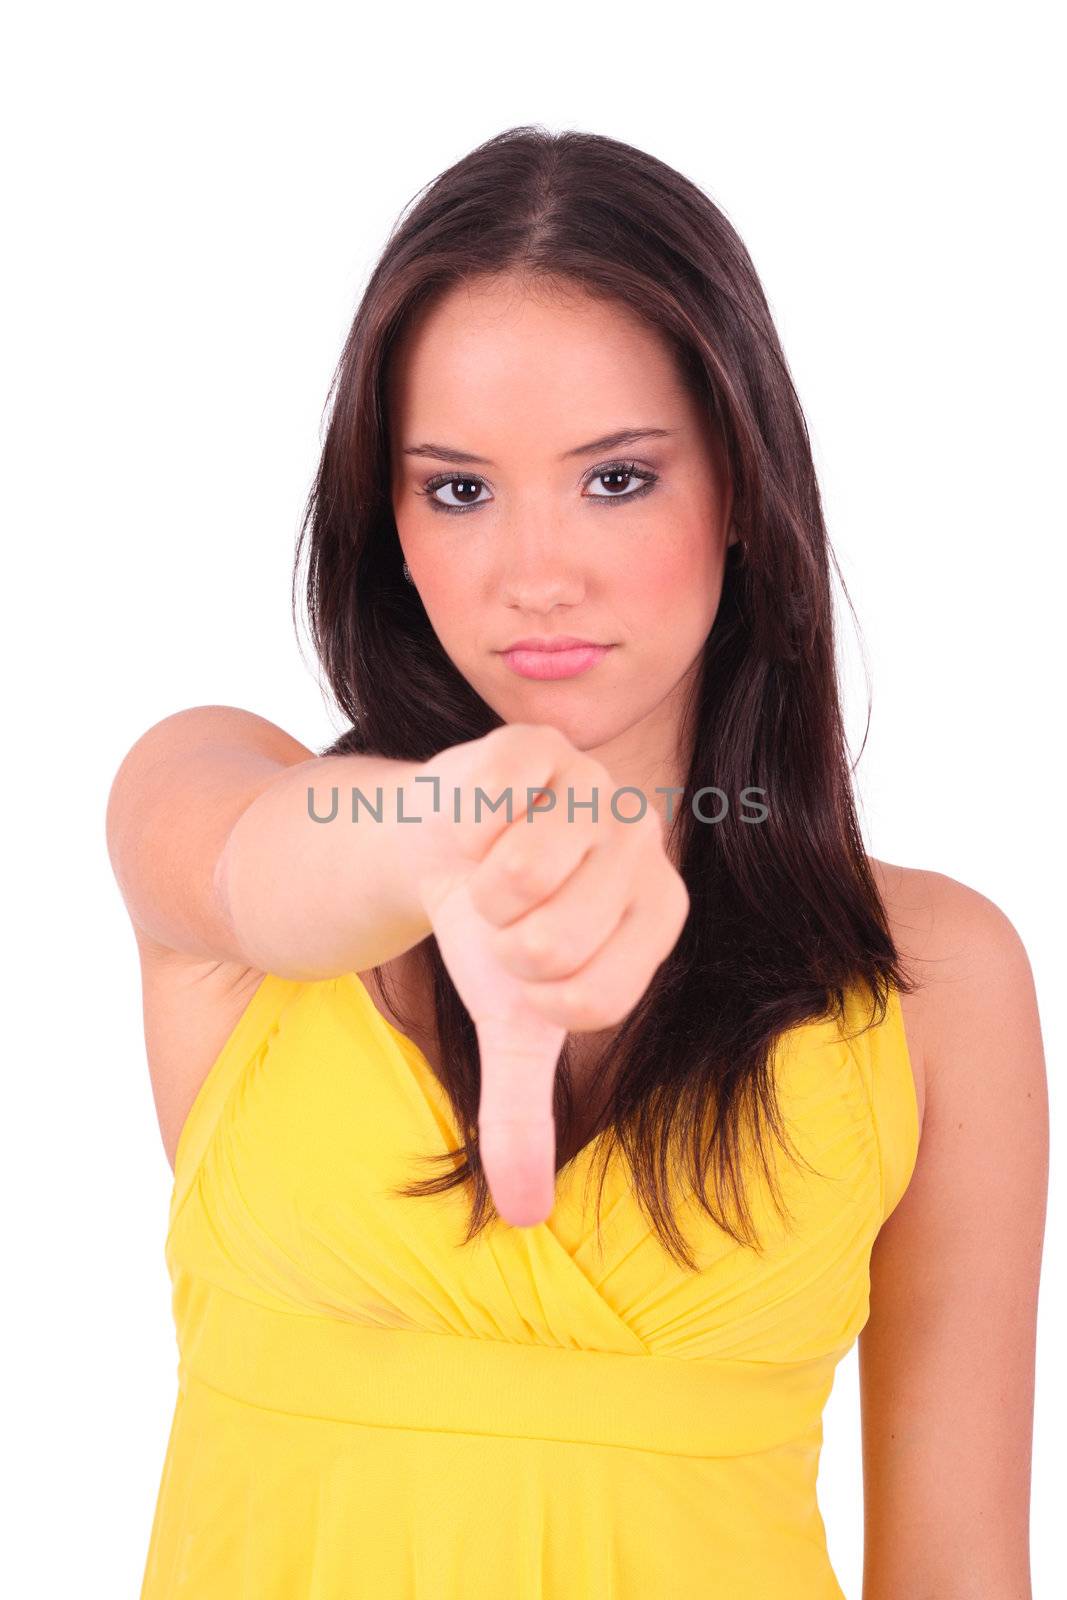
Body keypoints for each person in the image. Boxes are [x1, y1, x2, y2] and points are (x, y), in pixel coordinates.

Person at [106, 125, 1048, 1599]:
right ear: (389, 528)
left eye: (615, 480)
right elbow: (241, 861)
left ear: (739, 491)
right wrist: (439, 838)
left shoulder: (938, 981)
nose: (536, 571)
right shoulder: (234, 814)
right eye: (459, 491)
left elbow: (955, 1568)